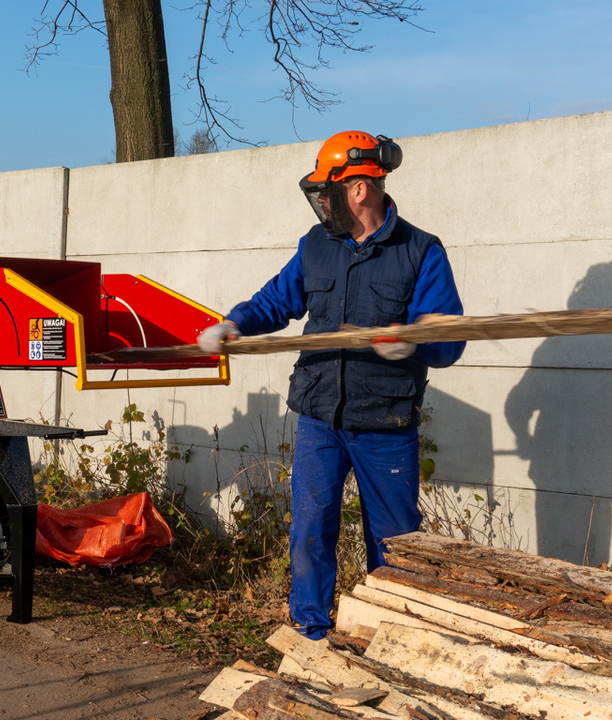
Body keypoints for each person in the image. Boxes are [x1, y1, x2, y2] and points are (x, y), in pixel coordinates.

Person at [197, 130, 465, 640]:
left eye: (327, 190)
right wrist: (234, 324)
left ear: (358, 189)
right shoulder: (317, 246)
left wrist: (411, 343)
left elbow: (449, 341)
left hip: (385, 421)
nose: (322, 201)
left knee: (393, 540)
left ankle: (389, 636)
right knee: (310, 531)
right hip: (321, 416)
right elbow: (277, 300)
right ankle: (310, 633)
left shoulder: (420, 251)